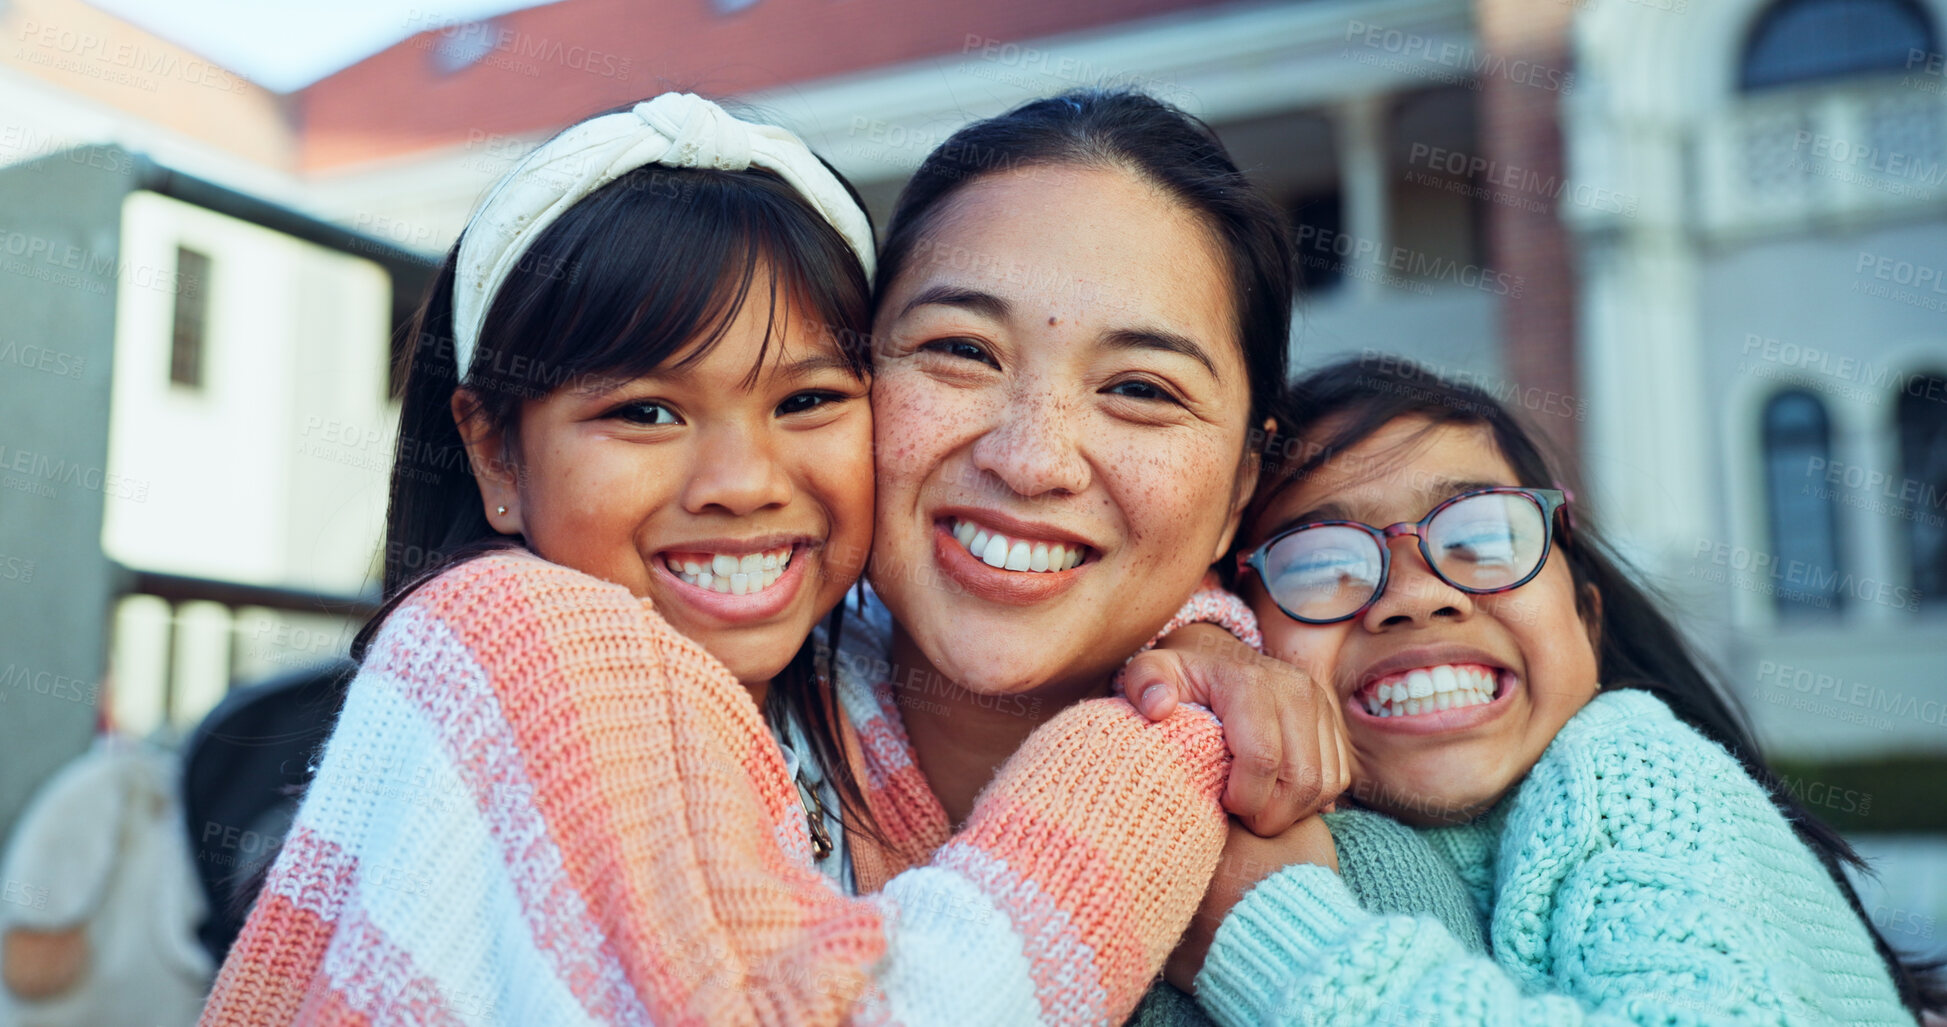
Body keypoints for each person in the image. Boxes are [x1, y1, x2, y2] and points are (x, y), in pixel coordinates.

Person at [198, 92, 1251, 1026]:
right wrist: (1164, 754)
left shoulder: (833, 686)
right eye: (645, 411)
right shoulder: (519, 640)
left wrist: (1211, 634)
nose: (741, 481)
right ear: (493, 451)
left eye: (805, 400)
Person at [1170, 356, 1941, 1025]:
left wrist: (1267, 938)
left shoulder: (1622, 768)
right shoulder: (1272, 820)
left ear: (1586, 617)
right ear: (1248, 633)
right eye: (1317, 561)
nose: (1416, 594)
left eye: (1479, 537)